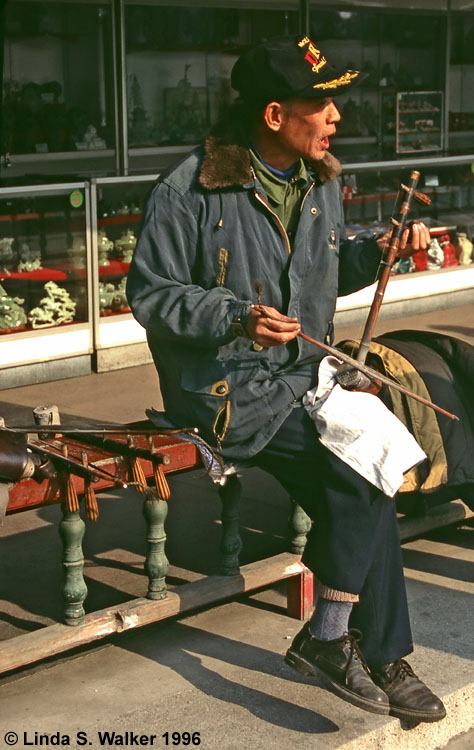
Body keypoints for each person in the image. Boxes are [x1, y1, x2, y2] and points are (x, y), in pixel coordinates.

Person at [127, 35, 445, 723]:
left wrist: (377, 253)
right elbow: (150, 295)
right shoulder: (187, 189)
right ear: (274, 114)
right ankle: (338, 640)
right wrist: (236, 316)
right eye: (321, 104)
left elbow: (322, 277)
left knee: (373, 473)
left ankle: (374, 653)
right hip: (225, 392)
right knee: (363, 474)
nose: (335, 117)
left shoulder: (321, 181)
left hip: (304, 377)